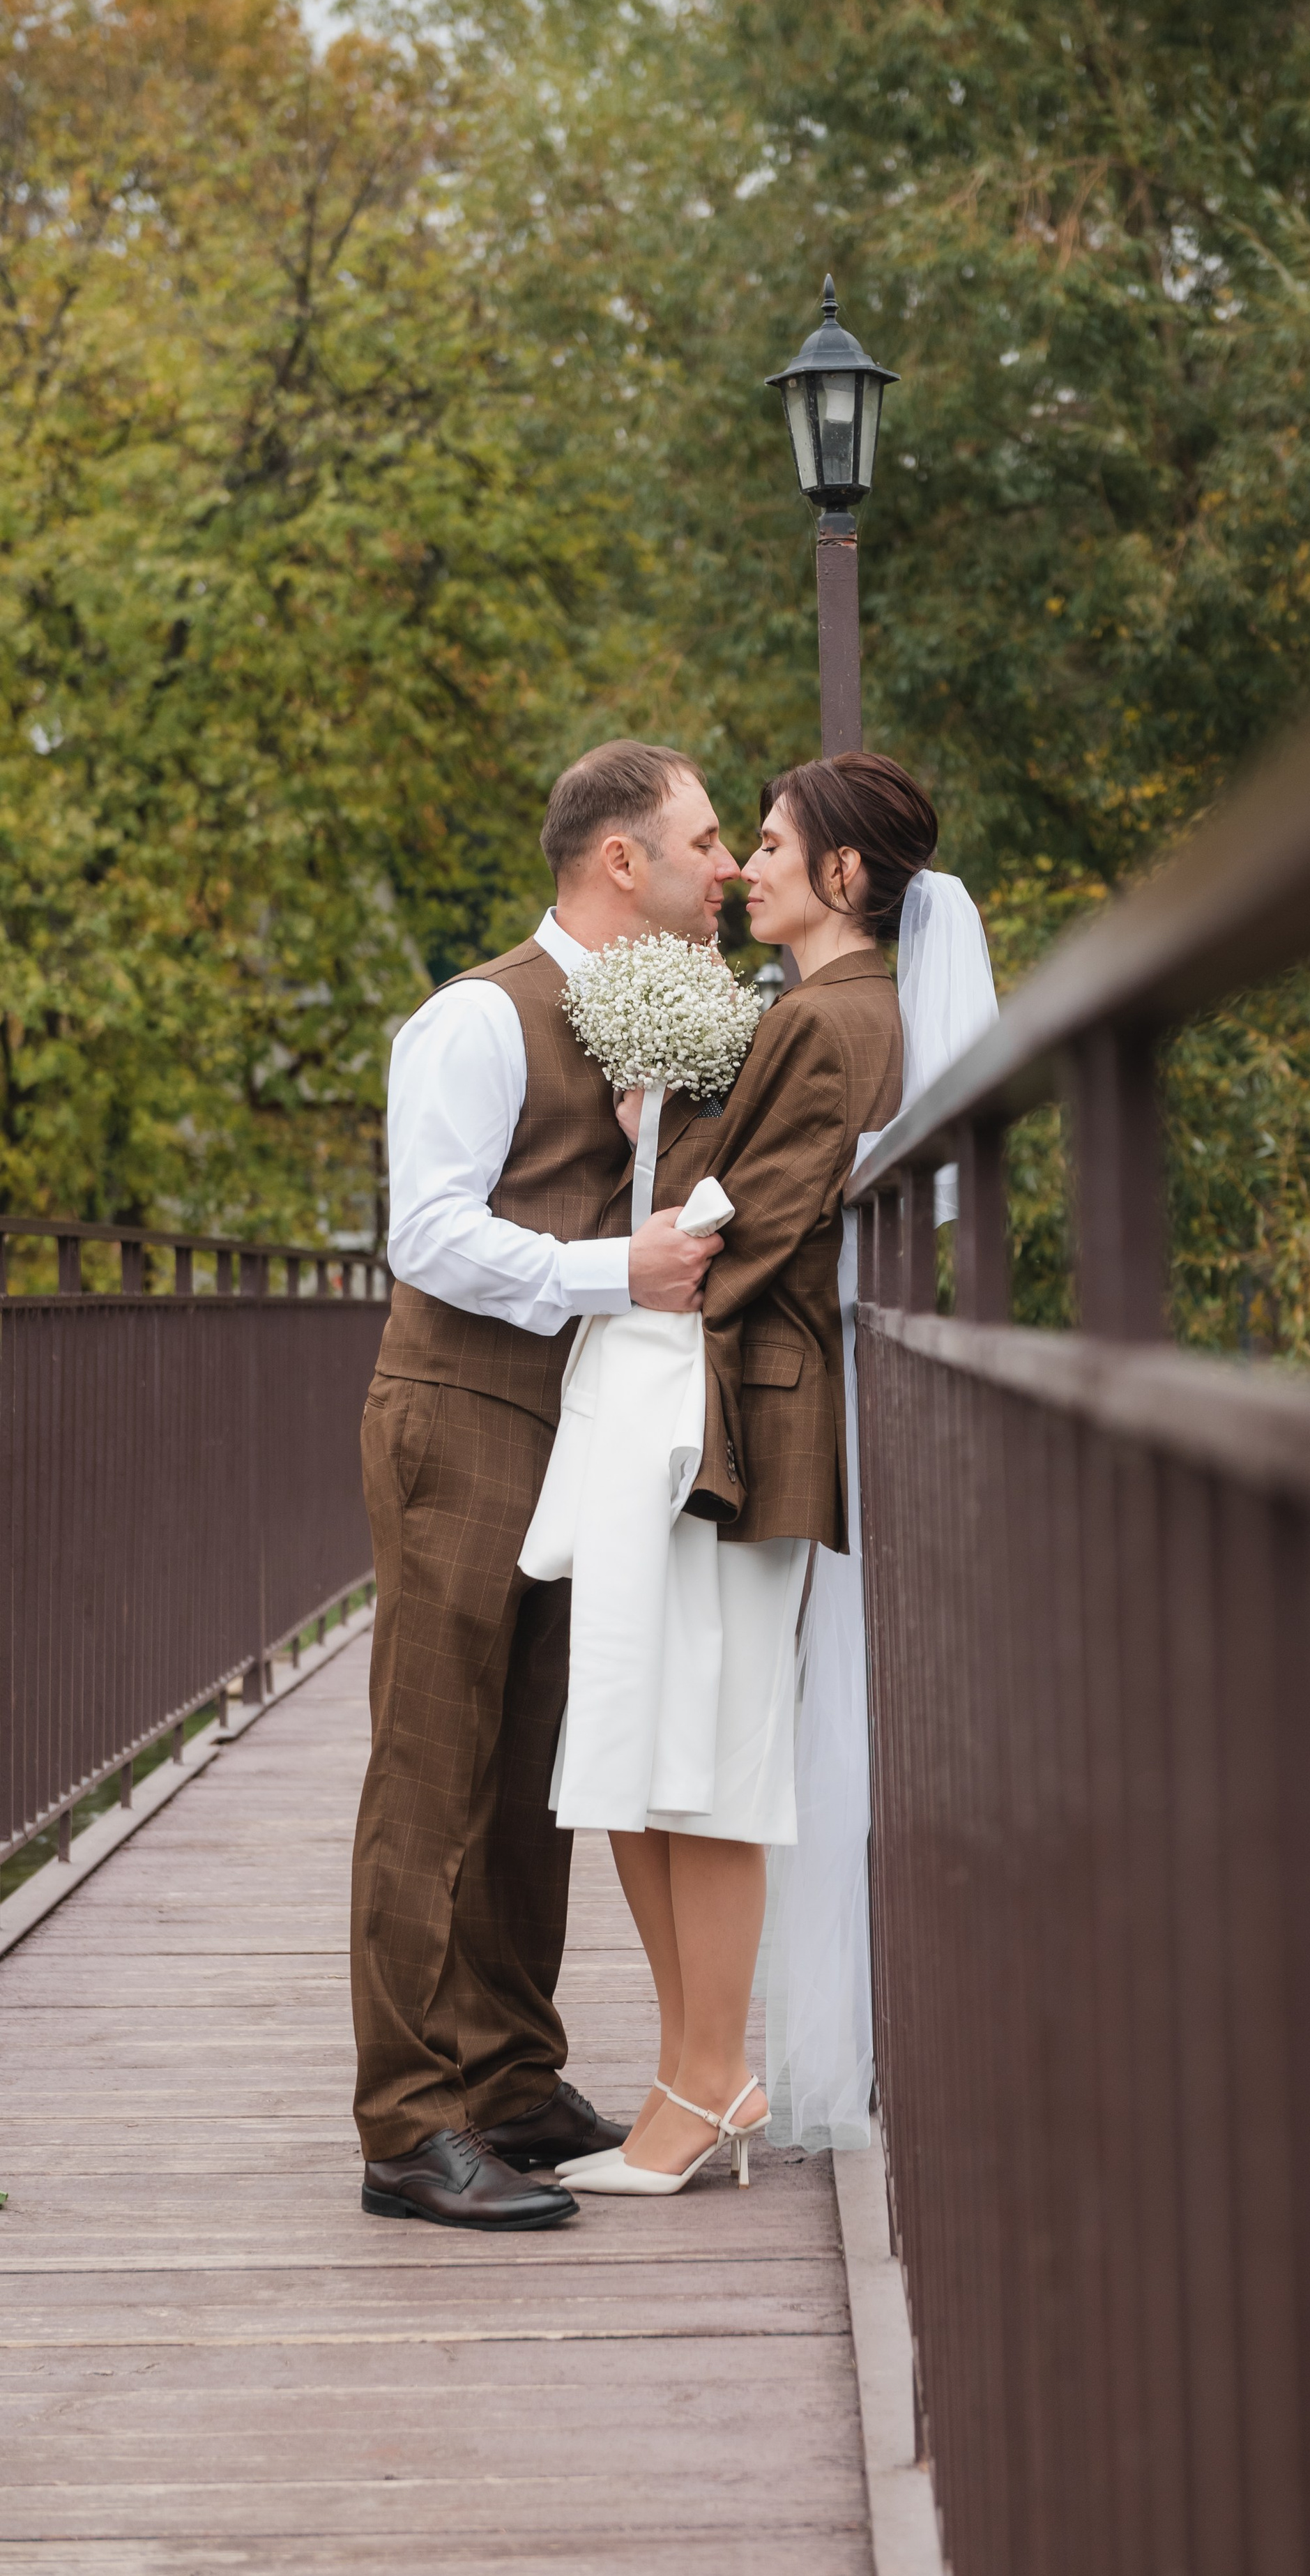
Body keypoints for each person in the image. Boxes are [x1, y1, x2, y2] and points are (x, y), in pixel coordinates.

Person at [351, 741, 736, 2232]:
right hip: (457, 1410)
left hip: (576, 1425)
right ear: (619, 861)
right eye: (702, 841)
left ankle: (509, 2080)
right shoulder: (476, 1019)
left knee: (529, 1781)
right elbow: (428, 1234)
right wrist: (608, 1266)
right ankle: (405, 2122)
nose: (722, 868)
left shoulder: (655, 1016)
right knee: (432, 1771)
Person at [554, 750, 938, 2196]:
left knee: (700, 1768)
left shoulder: (832, 1021)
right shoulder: (807, 1011)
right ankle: (691, 2071)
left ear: (843, 875)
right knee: (648, 1762)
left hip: (737, 1417)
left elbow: (754, 1228)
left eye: (769, 844)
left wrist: (651, 1209)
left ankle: (703, 2082)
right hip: (719, 1408)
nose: (743, 868)